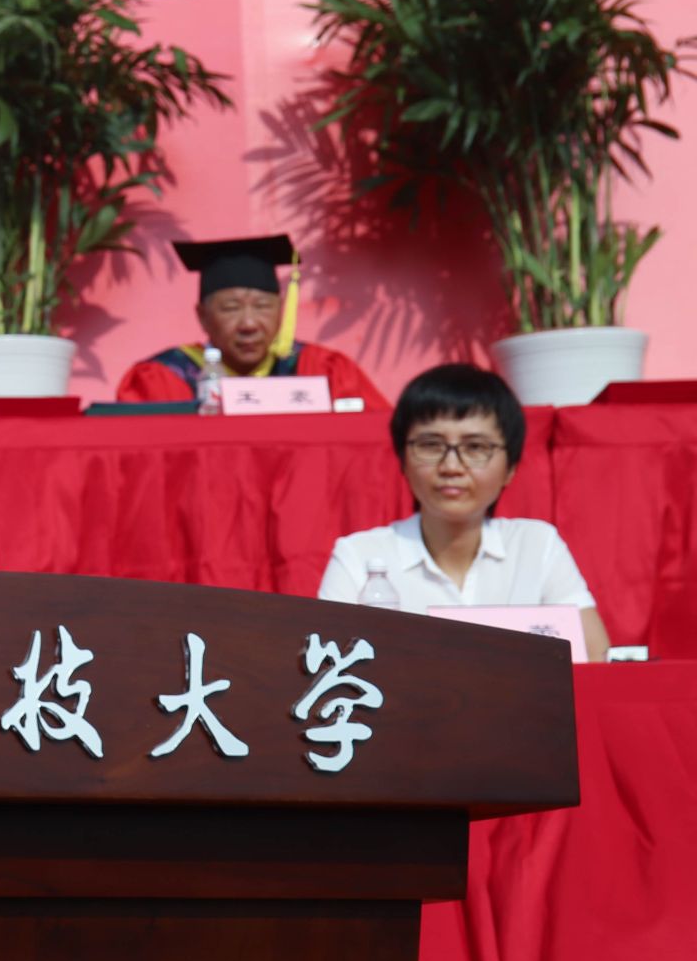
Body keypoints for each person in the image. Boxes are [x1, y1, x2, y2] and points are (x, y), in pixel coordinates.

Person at [317, 364, 609, 660]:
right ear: (403, 460)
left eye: (475, 447)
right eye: (431, 445)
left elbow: (595, 657)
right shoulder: (358, 556)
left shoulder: (537, 545)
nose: (451, 467)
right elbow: (327, 671)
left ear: (510, 467)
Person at [117, 235, 387, 409]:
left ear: (281, 310)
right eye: (231, 308)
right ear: (202, 317)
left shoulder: (323, 371)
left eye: (262, 306)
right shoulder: (163, 378)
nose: (249, 324)